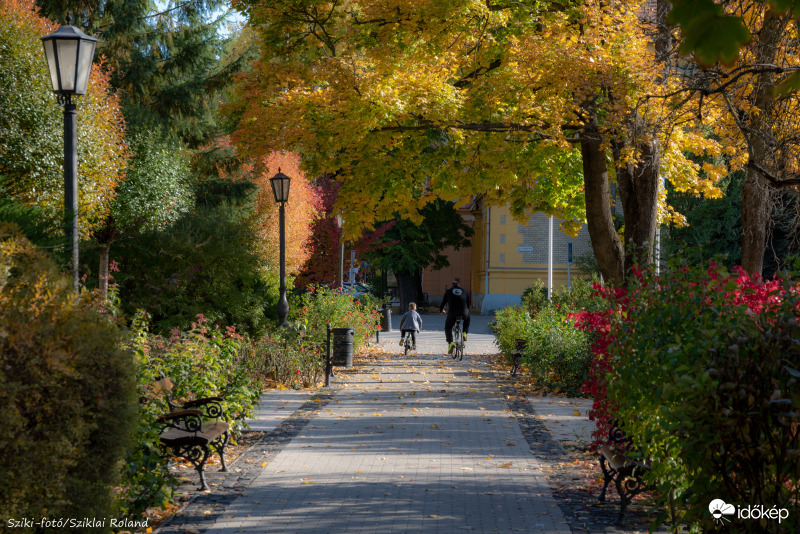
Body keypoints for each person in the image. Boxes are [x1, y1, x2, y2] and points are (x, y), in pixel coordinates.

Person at [440, 278, 470, 354]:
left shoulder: (448, 292)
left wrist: (441, 310)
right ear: (459, 285)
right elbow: (468, 303)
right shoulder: (465, 291)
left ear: (452, 286)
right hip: (463, 311)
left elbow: (443, 303)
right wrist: (467, 311)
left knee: (448, 327)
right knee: (467, 319)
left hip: (452, 312)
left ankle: (450, 343)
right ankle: (464, 333)